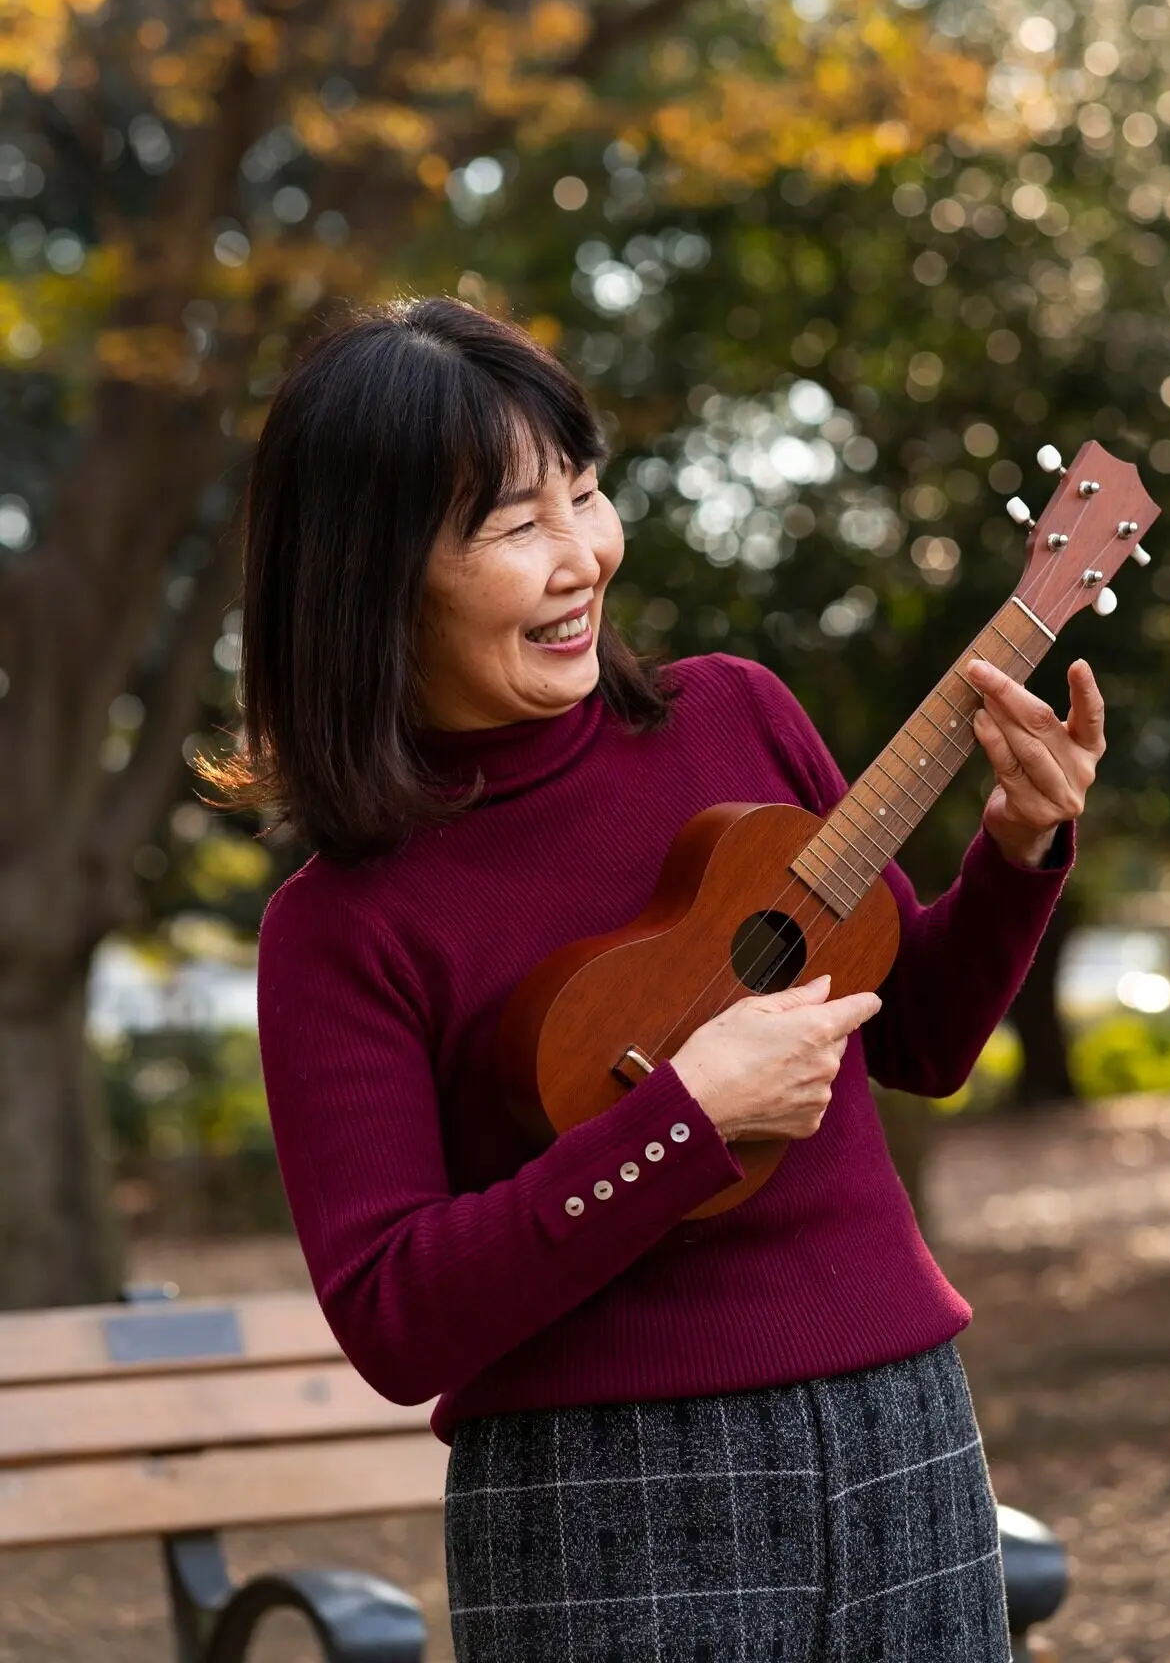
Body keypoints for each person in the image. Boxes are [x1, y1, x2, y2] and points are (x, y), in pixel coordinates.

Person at [217, 295, 1102, 1662]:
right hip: (600, 1500)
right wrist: (681, 1127)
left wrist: (1018, 849)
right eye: (516, 526)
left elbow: (913, 1031)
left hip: (903, 1423)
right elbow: (394, 1317)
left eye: (585, 494)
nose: (581, 556)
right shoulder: (342, 928)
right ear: (371, 572)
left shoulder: (737, 716)